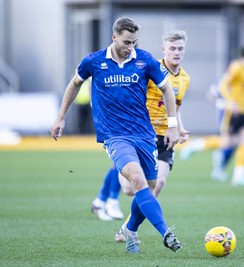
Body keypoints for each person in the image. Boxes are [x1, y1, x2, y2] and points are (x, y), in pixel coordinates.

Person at [50, 17, 181, 254]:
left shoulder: (144, 60)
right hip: (114, 136)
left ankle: (130, 230)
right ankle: (166, 233)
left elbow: (166, 89)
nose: (131, 46)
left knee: (142, 190)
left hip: (143, 134)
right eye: (127, 41)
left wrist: (172, 125)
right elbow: (74, 84)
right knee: (138, 182)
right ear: (114, 37)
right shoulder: (94, 61)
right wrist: (60, 117)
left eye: (134, 42)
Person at [114, 30, 190, 242]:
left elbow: (176, 106)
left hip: (165, 137)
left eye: (180, 48)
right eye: (172, 48)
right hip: (141, 135)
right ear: (163, 50)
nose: (176, 52)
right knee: (130, 189)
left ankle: (128, 228)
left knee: (158, 184)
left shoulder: (185, 79)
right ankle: (119, 163)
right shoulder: (149, 69)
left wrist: (179, 128)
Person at [214, 45, 244, 187]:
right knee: (228, 142)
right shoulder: (236, 66)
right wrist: (230, 102)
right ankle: (201, 147)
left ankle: (239, 176)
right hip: (233, 111)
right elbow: (222, 84)